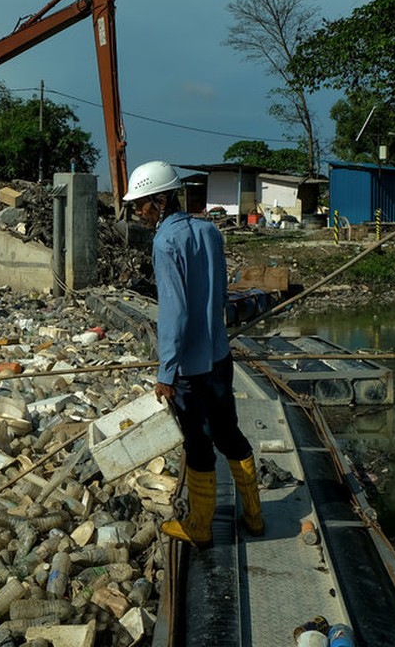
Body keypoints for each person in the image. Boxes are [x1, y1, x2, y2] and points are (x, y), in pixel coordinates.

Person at [122, 160, 264, 547]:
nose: (139, 212)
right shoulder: (209, 231)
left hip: (189, 366)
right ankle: (254, 515)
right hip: (219, 355)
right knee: (228, 431)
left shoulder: (166, 242)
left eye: (142, 204)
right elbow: (218, 296)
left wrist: (166, 371)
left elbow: (175, 312)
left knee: (198, 443)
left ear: (162, 199)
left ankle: (200, 527)